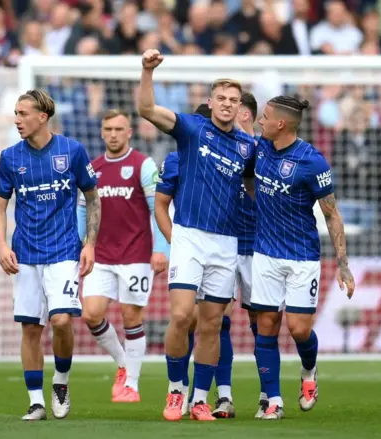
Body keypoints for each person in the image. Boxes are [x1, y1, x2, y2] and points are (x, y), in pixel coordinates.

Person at [137, 48, 256, 422]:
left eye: (233, 101)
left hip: (226, 242)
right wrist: (146, 72)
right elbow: (147, 110)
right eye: (221, 98)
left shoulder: (247, 147)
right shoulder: (191, 128)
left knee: (211, 324)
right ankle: (176, 390)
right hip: (189, 234)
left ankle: (200, 398)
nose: (226, 104)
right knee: (182, 316)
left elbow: (253, 187)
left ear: (240, 109)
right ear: (210, 101)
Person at [0, 89, 101, 421]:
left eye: (23, 113)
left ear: (42, 117)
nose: (17, 119)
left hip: (64, 250)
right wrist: (1, 246)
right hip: (24, 254)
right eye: (15, 112)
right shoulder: (11, 157)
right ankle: (36, 401)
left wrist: (90, 244)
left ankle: (62, 381)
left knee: (62, 320)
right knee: (30, 329)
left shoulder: (72, 150)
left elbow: (93, 198)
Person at [243, 95, 355, 420]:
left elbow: (332, 214)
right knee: (265, 325)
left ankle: (309, 369)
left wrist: (343, 264)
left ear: (280, 124)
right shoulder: (258, 148)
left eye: (264, 117)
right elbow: (248, 177)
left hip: (302, 257)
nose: (259, 122)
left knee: (298, 329)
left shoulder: (312, 161)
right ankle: (273, 400)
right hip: (264, 253)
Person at [76, 109, 168, 403]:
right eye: (108, 129)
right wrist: (84, 243)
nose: (113, 134)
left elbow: (159, 209)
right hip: (101, 254)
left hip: (136, 254)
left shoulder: (143, 165)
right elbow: (83, 209)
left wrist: (161, 249)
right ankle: (122, 362)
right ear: (102, 133)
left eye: (119, 129)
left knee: (131, 316)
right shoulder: (93, 168)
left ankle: (132, 384)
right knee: (91, 313)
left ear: (129, 133)